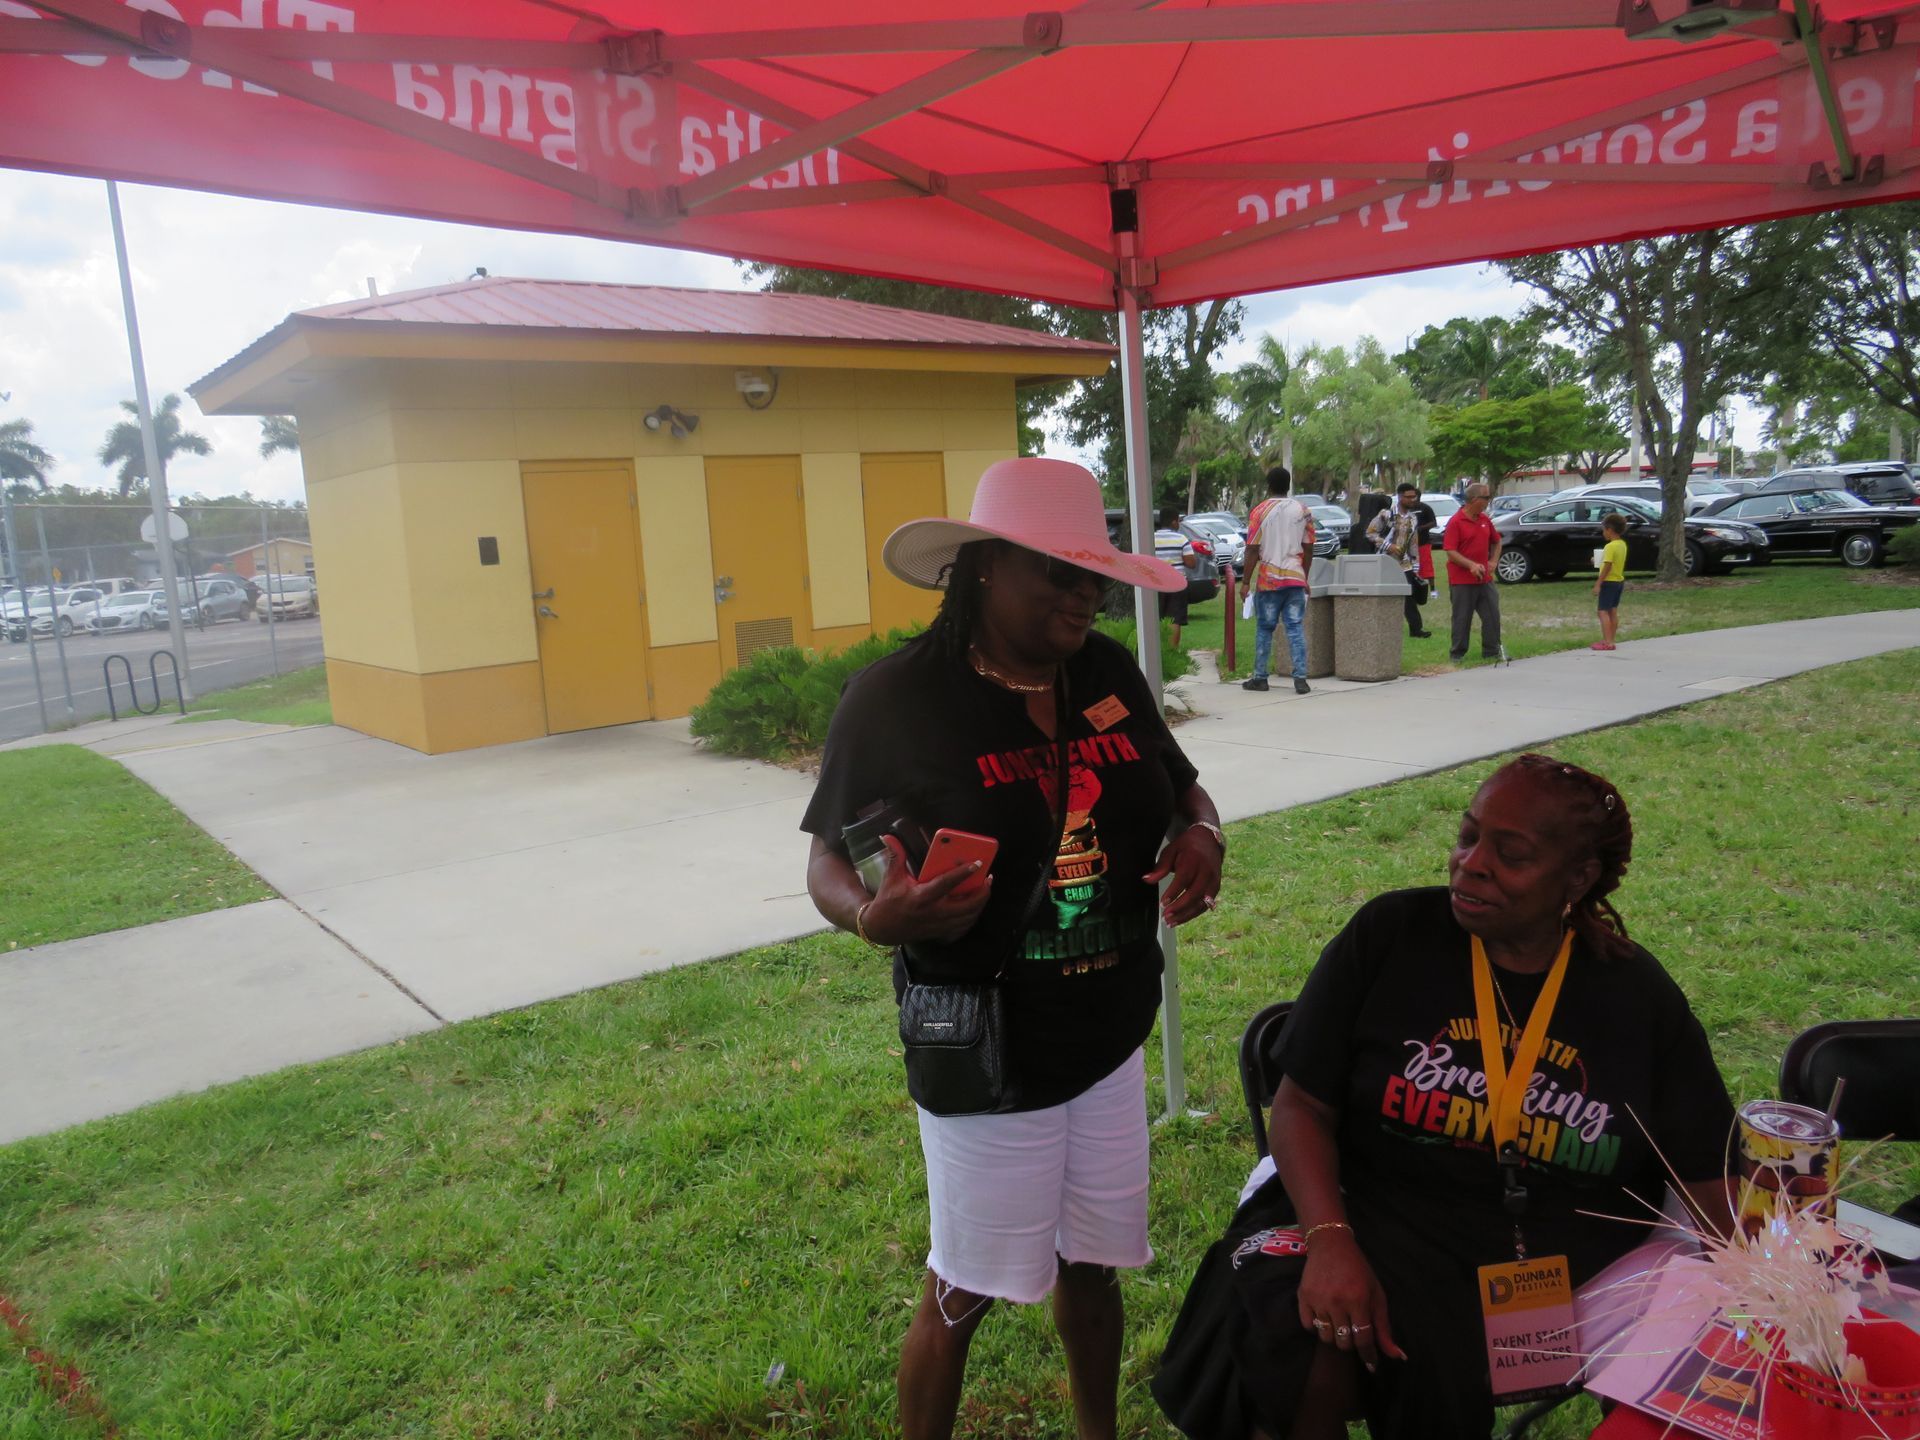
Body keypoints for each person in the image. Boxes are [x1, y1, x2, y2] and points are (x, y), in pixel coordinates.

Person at [801, 456, 1227, 1440]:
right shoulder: (897, 698)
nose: (1084, 595)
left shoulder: (1105, 673)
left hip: (1111, 1030)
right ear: (986, 566)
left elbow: (1179, 787)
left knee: (1095, 1264)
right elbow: (826, 860)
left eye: (1094, 576)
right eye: (1058, 573)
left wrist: (1204, 831)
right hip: (990, 1045)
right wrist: (871, 919)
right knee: (963, 1289)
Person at [1153, 754, 1736, 1440]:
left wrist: (1768, 1280)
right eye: (1468, 836)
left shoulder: (1635, 998)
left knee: (1697, 1355)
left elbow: (1710, 1174)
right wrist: (1331, 1242)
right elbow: (1301, 1107)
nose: (1472, 864)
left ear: (1578, 878)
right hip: (1372, 1216)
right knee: (1293, 1338)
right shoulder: (1392, 937)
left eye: (1511, 854)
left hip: (1560, 1270)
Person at [1242, 467, 1315, 696]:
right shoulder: (1303, 510)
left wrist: (1245, 582)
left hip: (1269, 580)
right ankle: (1300, 679)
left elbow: (1252, 549)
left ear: (1269, 485)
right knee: (1295, 628)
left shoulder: (1259, 511)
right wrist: (1304, 576)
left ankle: (1260, 677)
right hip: (1295, 578)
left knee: (1265, 629)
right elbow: (1309, 547)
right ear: (1288, 484)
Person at [1363, 484, 1433, 640]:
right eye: (1409, 497)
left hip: (1404, 563)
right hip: (1384, 562)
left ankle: (1416, 628)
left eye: (1414, 497)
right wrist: (1388, 546)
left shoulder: (1413, 518)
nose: (1412, 500)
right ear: (1400, 497)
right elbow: (1370, 533)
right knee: (1384, 595)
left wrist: (1415, 566)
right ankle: (1379, 626)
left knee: (1409, 594)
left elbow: (1413, 542)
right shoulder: (1386, 515)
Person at [1442, 482, 1502, 663]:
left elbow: (1497, 541)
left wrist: (1493, 561)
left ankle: (1492, 651)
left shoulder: (1484, 519)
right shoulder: (1456, 522)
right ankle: (1457, 653)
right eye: (1486, 498)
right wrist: (1471, 565)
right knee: (1462, 618)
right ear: (1475, 499)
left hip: (1484, 579)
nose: (1488, 501)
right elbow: (1450, 551)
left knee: (1492, 615)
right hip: (1462, 580)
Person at [1592, 513, 1627, 652]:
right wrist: (1596, 561)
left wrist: (1598, 583)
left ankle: (1607, 642)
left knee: (1602, 612)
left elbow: (1608, 566)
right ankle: (1611, 639)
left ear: (1609, 530)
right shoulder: (1622, 544)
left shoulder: (1610, 546)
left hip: (1608, 582)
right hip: (1618, 581)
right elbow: (1611, 562)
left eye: (1604, 530)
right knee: (1612, 611)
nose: (1603, 533)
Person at [1158, 506, 1191, 647]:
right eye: (1178, 521)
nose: (1179, 524)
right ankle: (1172, 650)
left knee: (1157, 617)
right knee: (1174, 619)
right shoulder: (1181, 539)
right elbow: (1191, 563)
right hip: (1177, 583)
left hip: (1156, 583)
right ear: (1173, 522)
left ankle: (1158, 648)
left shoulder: (1151, 538)